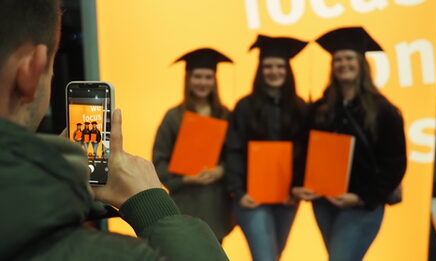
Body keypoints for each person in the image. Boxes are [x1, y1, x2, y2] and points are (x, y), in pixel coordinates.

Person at [0, 1, 228, 260]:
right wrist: (153, 205)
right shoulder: (112, 254)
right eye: (51, 71)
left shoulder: (226, 114)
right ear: (31, 68)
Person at [292, 27, 407, 261]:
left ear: (362, 64)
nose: (343, 64)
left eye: (349, 58)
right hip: (325, 202)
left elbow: (395, 163)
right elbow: (305, 150)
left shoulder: (384, 111)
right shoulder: (321, 109)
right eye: (338, 60)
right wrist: (300, 183)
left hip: (362, 205)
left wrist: (362, 196)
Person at [225, 35, 308, 261]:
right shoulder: (244, 106)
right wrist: (239, 192)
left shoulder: (300, 107)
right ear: (260, 70)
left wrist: (296, 188)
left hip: (286, 199)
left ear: (287, 70)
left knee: (274, 255)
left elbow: (305, 154)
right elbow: (233, 150)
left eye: (280, 66)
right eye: (268, 66)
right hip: (251, 198)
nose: (274, 71)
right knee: (264, 257)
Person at [153, 48, 235, 242]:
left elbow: (235, 156)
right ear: (188, 79)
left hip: (216, 201)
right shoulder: (173, 117)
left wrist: (222, 170)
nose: (203, 82)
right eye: (197, 77)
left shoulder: (225, 115)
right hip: (185, 201)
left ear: (215, 81)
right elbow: (158, 160)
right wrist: (186, 179)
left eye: (208, 77)